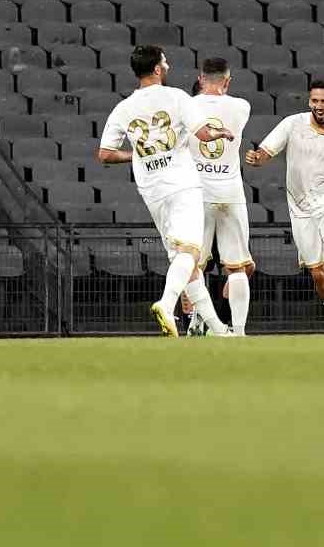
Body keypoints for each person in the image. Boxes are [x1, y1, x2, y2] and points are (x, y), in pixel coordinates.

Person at [95, 45, 232, 337]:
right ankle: (167, 304)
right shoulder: (177, 97)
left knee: (183, 260)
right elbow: (204, 135)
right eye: (165, 62)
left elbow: (105, 154)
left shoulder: (123, 108)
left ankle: (219, 330)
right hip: (181, 184)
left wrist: (135, 156)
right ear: (157, 69)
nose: (167, 65)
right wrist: (219, 133)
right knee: (190, 252)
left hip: (152, 191)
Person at [245, 79, 324, 335]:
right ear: (309, 102)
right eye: (315, 100)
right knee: (318, 274)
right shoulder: (292, 124)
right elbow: (266, 152)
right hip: (301, 209)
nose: (319, 106)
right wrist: (256, 159)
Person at [187, 57, 255, 335]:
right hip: (231, 191)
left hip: (197, 193)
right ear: (227, 81)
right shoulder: (241, 107)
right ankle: (238, 331)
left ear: (200, 79)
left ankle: (199, 323)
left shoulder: (186, 105)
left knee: (193, 264)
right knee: (237, 265)